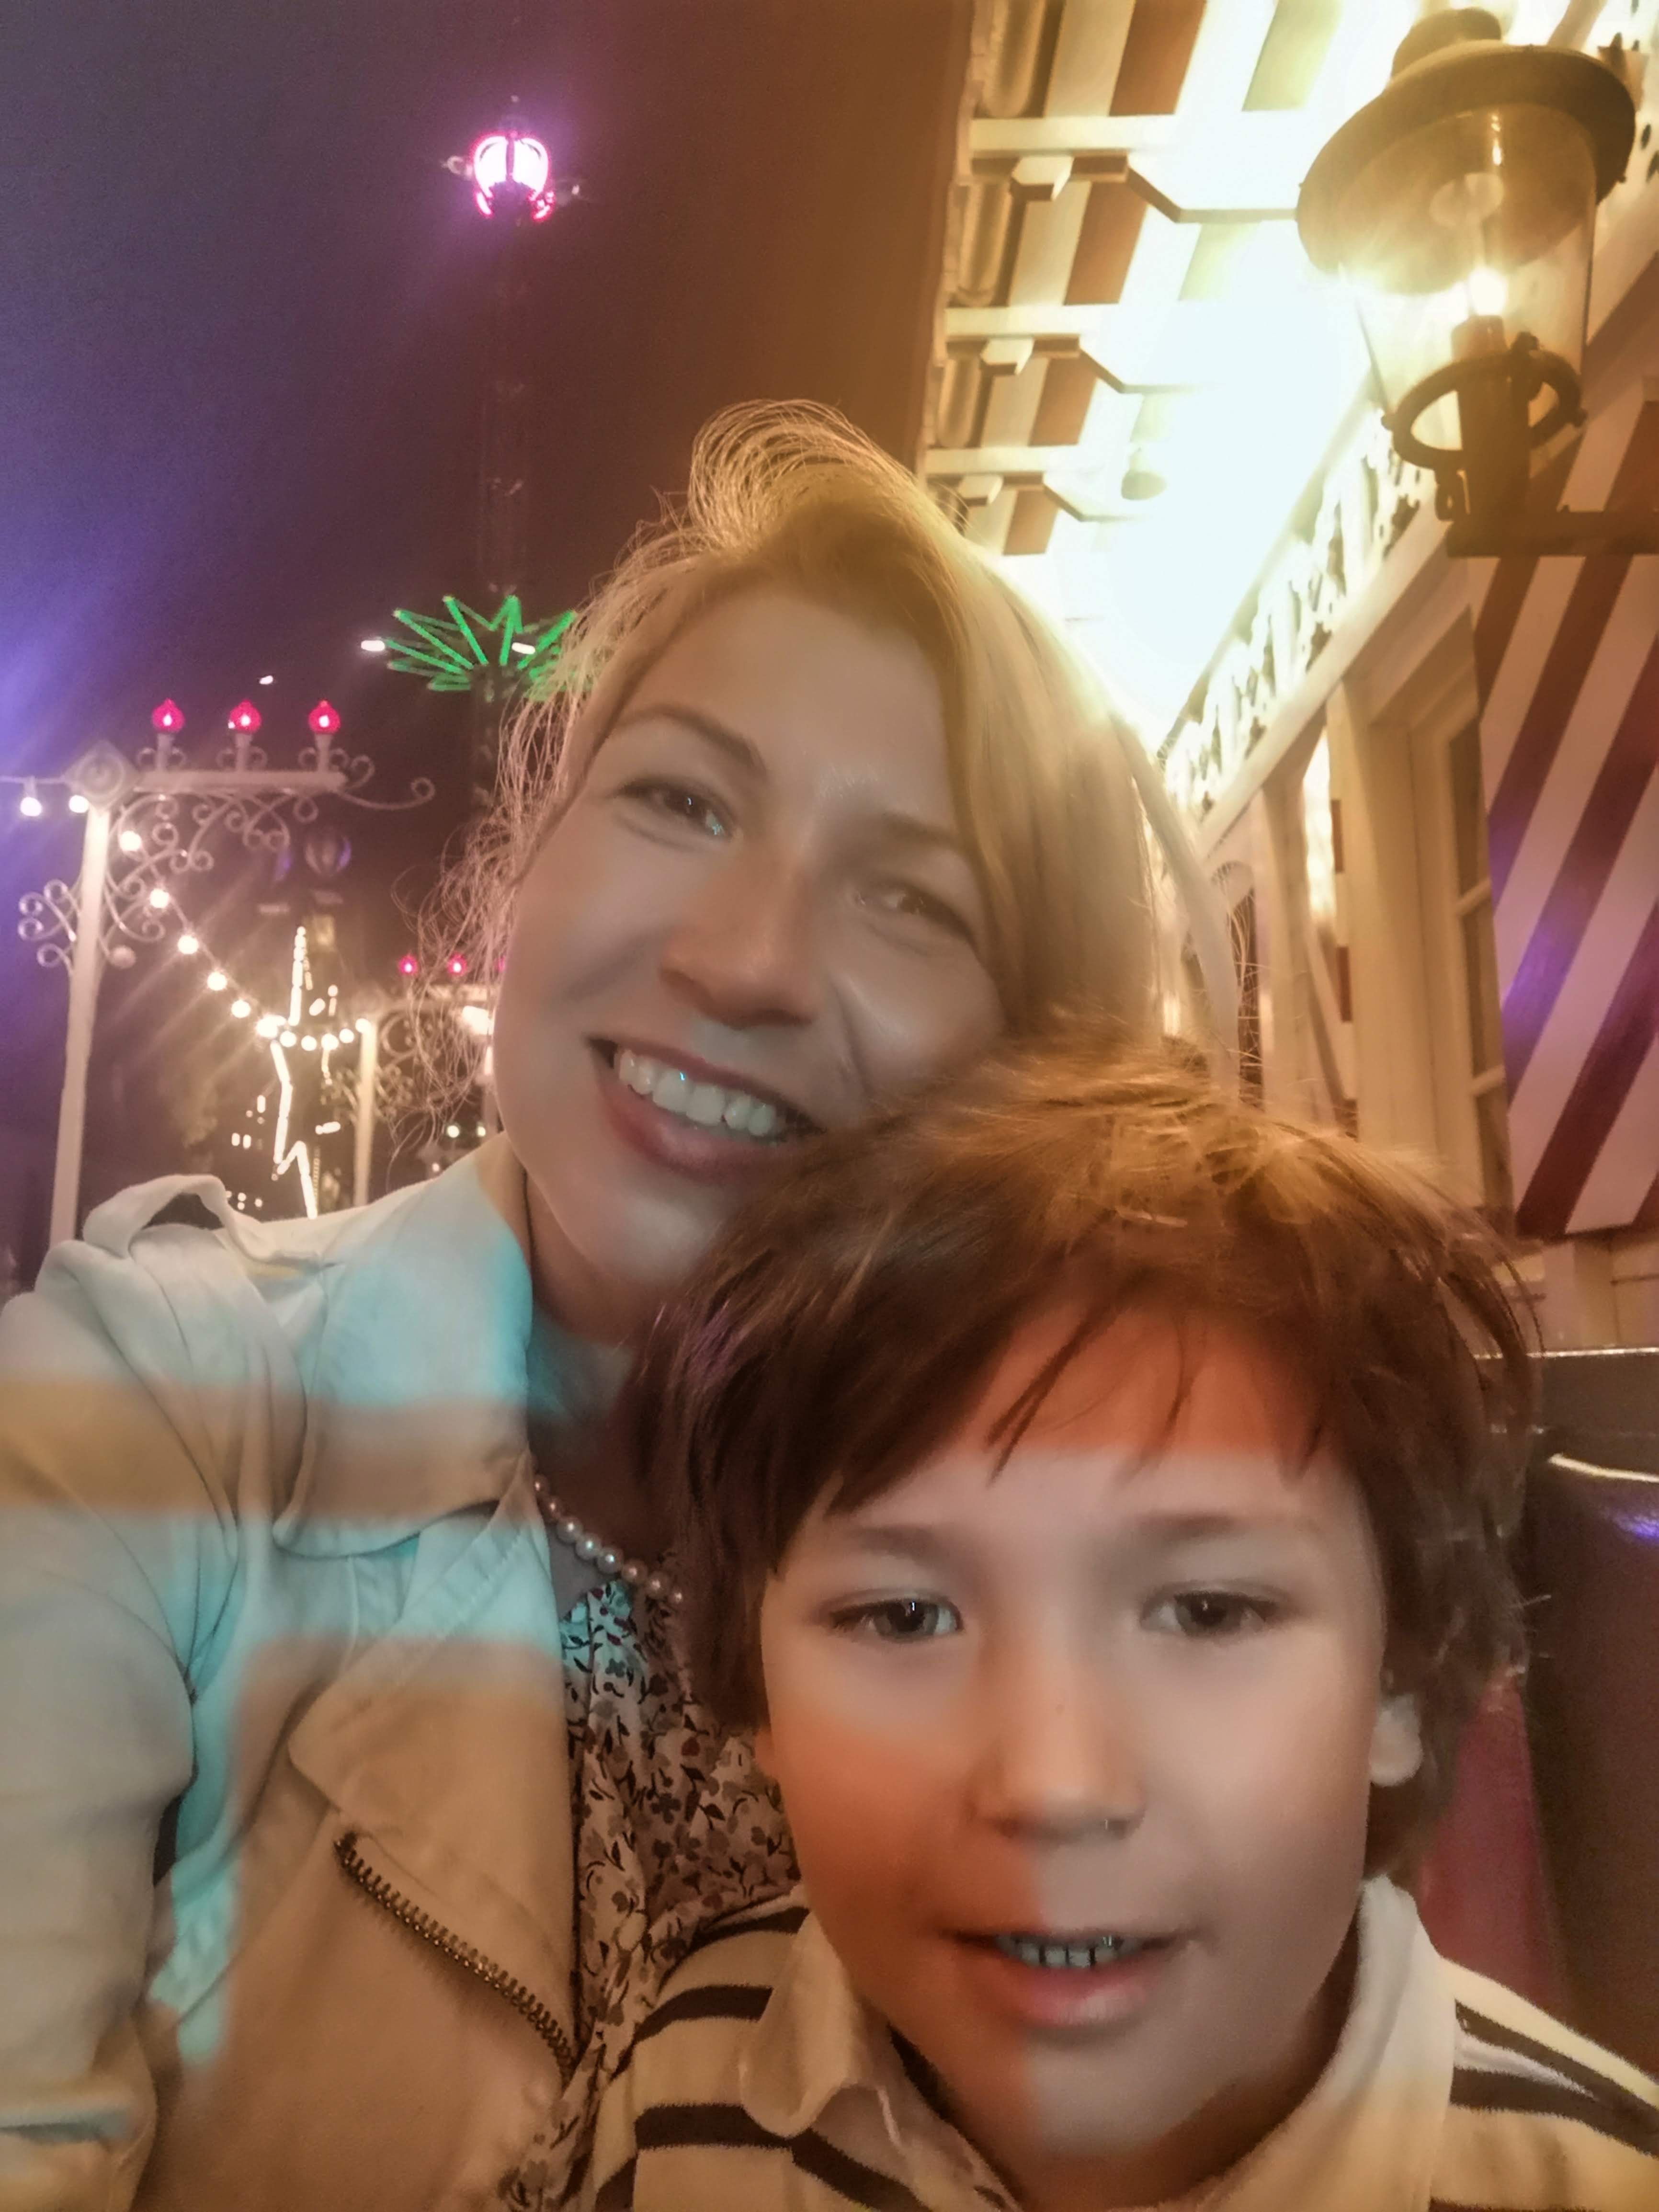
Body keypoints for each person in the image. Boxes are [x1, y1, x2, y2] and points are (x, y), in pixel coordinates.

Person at [0, 404, 1227, 2212]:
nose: (742, 958)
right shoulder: (149, 1408)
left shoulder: (1141, 1552)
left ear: (1035, 1055)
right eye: (679, 799)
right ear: (534, 854)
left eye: (910, 895)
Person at [587, 1038, 1659, 2212]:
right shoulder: (687, 2076)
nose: (1054, 1786)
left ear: (1399, 1677)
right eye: (903, 1614)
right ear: (759, 1692)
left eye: (1207, 1610)